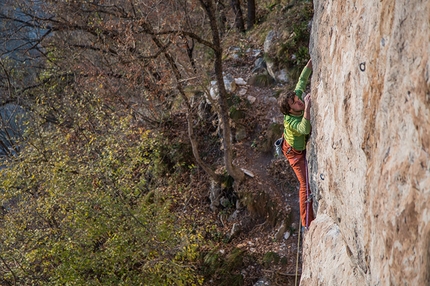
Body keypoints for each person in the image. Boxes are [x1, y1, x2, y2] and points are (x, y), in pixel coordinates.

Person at [277, 59, 314, 230]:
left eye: (296, 98)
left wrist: (310, 64)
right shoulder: (291, 121)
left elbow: (301, 80)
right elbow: (304, 129)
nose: (298, 100)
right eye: (294, 103)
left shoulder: (296, 99)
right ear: (290, 110)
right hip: (294, 154)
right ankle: (307, 223)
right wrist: (306, 108)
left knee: (307, 184)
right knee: (305, 185)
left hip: (292, 145)